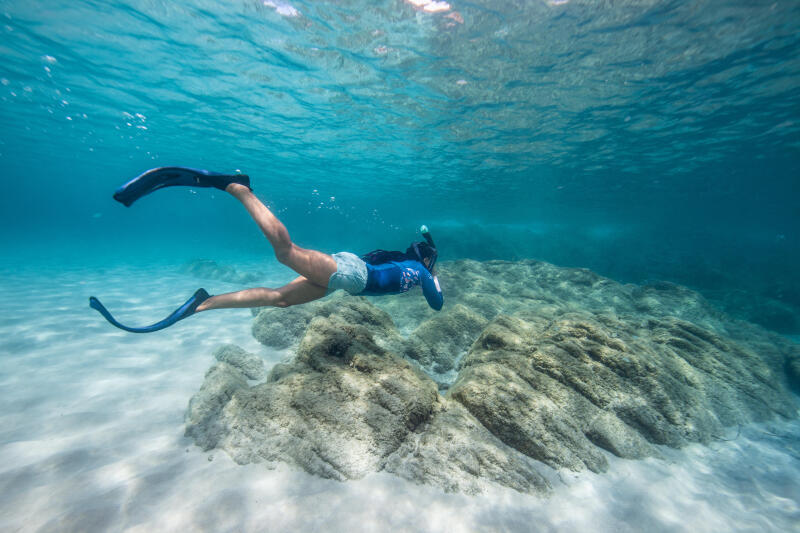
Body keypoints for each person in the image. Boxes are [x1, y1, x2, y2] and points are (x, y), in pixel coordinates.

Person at [90, 167, 442, 333]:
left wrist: (426, 256)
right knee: (286, 253)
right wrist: (433, 274)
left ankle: (203, 303)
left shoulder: (412, 267)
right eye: (430, 262)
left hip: (351, 276)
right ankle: (238, 188)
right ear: (426, 261)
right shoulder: (423, 273)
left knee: (280, 298)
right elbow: (436, 303)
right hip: (352, 275)